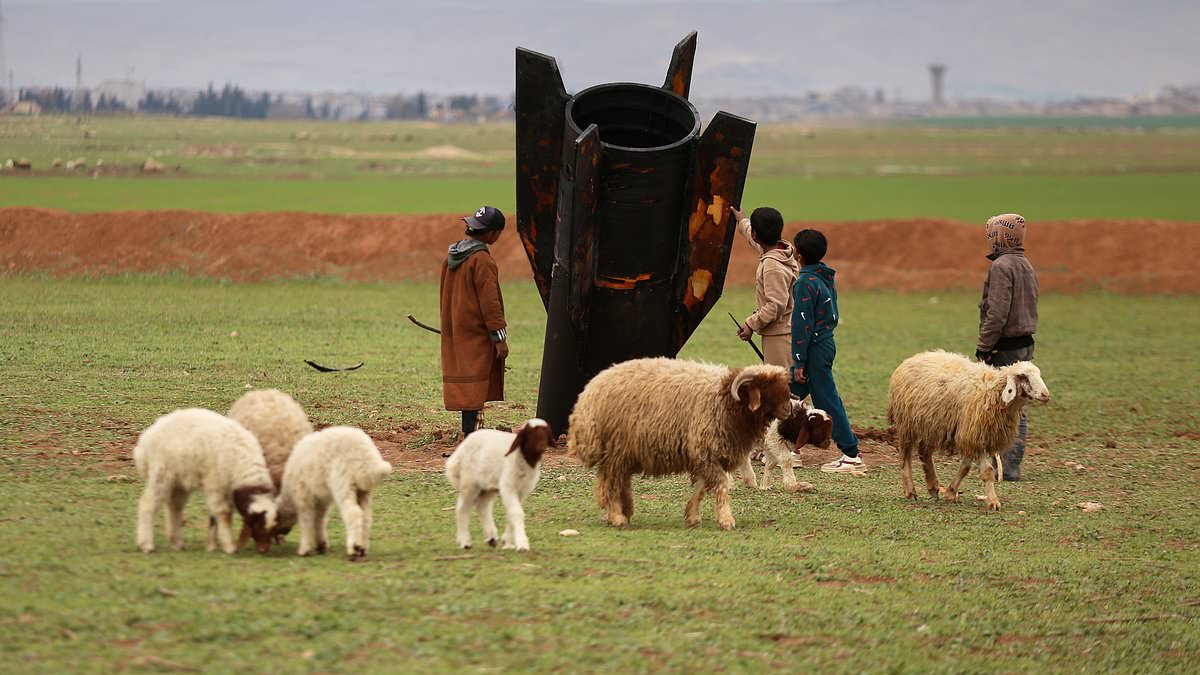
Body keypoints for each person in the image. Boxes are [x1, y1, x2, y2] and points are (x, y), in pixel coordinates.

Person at [788, 228, 863, 473]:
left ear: (798, 254)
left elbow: (802, 324)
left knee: (827, 400)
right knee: (790, 395)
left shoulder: (804, 283)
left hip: (814, 349)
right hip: (825, 343)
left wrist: (799, 361)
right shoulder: (824, 277)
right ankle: (786, 449)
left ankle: (851, 454)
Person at [976, 213, 1039, 481]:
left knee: (1004, 406)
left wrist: (984, 346)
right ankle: (1010, 464)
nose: (990, 240)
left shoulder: (1002, 266)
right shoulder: (1025, 264)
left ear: (1001, 236)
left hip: (1006, 345)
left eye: (992, 235)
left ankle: (1006, 466)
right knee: (1018, 405)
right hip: (1025, 343)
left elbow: (997, 312)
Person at [439, 205, 509, 439]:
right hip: (476, 332)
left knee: (467, 381)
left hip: (456, 328)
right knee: (476, 383)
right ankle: (472, 436)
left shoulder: (451, 257)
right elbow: (491, 304)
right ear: (492, 234)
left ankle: (469, 432)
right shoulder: (482, 261)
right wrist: (499, 338)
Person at [731, 206, 800, 369]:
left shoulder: (772, 266)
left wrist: (750, 324)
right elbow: (755, 240)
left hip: (779, 337)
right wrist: (742, 221)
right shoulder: (782, 250)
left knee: (783, 388)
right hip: (788, 330)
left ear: (756, 235)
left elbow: (776, 305)